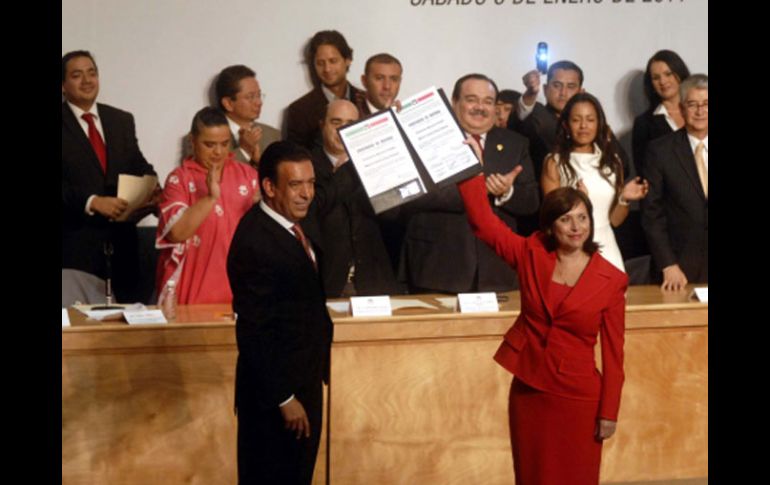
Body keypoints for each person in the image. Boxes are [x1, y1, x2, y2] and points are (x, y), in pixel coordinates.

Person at [458, 136, 628, 484]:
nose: (577, 227)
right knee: (532, 476)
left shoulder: (611, 280)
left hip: (579, 397)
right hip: (530, 390)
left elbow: (613, 355)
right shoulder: (531, 254)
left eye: (582, 218)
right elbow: (482, 222)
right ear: (551, 226)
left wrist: (609, 411)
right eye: (567, 220)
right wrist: (471, 170)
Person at [227, 141, 333, 485]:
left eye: (311, 183)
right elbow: (253, 332)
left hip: (304, 381)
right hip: (274, 400)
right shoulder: (255, 240)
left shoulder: (293, 224)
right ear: (269, 187)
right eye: (295, 185)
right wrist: (284, 398)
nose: (306, 194)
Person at [399, 73, 539, 293]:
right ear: (455, 103)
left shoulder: (515, 144)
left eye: (488, 102)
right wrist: (477, 189)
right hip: (437, 266)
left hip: (497, 270)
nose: (480, 107)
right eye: (471, 99)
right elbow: (412, 195)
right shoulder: (427, 140)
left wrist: (507, 192)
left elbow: (531, 202)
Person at [62, 50, 160, 303]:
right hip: (74, 250)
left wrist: (152, 189)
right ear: (63, 84)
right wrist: (92, 201)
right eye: (77, 75)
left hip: (122, 247)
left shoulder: (120, 120)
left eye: (92, 73)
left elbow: (139, 165)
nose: (87, 80)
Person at [156, 107, 259, 305]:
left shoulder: (247, 176)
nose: (218, 152)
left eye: (225, 144)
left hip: (241, 296)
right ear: (192, 141)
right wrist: (211, 198)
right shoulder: (179, 179)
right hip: (192, 295)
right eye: (209, 145)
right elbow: (176, 233)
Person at [541, 93, 649, 273]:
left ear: (599, 124)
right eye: (577, 120)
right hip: (571, 249)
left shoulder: (613, 162)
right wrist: (577, 203)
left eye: (590, 119)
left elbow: (615, 220)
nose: (583, 126)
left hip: (607, 246)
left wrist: (624, 198)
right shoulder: (554, 162)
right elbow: (550, 218)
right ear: (567, 125)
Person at [310, 99, 401, 297]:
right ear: (322, 125)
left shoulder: (374, 164)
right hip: (327, 283)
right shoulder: (307, 165)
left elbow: (392, 214)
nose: (343, 130)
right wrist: (347, 171)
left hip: (374, 283)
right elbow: (313, 210)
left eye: (350, 124)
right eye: (336, 122)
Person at [641, 74, 708, 290]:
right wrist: (668, 263)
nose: (700, 111)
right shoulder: (659, 150)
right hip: (679, 269)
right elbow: (652, 213)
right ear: (681, 108)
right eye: (692, 104)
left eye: (706, 104)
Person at [286, 30, 364, 150]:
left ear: (348, 60)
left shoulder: (366, 101)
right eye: (320, 63)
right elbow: (295, 159)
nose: (327, 69)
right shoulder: (299, 111)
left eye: (333, 61)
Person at [198, 64, 281, 167]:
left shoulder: (273, 136)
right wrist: (244, 151)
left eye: (259, 95)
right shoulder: (202, 137)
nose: (259, 102)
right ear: (228, 103)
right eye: (250, 97)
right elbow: (205, 175)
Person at [631, 50, 691, 178]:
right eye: (656, 78)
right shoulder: (643, 124)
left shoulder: (702, 114)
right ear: (651, 84)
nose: (663, 81)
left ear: (680, 74)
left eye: (668, 74)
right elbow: (644, 175)